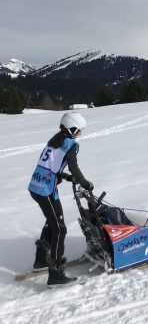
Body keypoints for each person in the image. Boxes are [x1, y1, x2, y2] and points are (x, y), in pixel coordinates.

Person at [28, 112, 94, 287]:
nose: (80, 134)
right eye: (79, 131)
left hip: (37, 186)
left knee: (52, 223)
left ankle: (41, 260)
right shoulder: (71, 145)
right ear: (72, 129)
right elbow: (74, 166)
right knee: (60, 229)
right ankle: (56, 274)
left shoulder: (54, 141)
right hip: (45, 190)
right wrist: (85, 183)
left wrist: (66, 177)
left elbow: (50, 166)